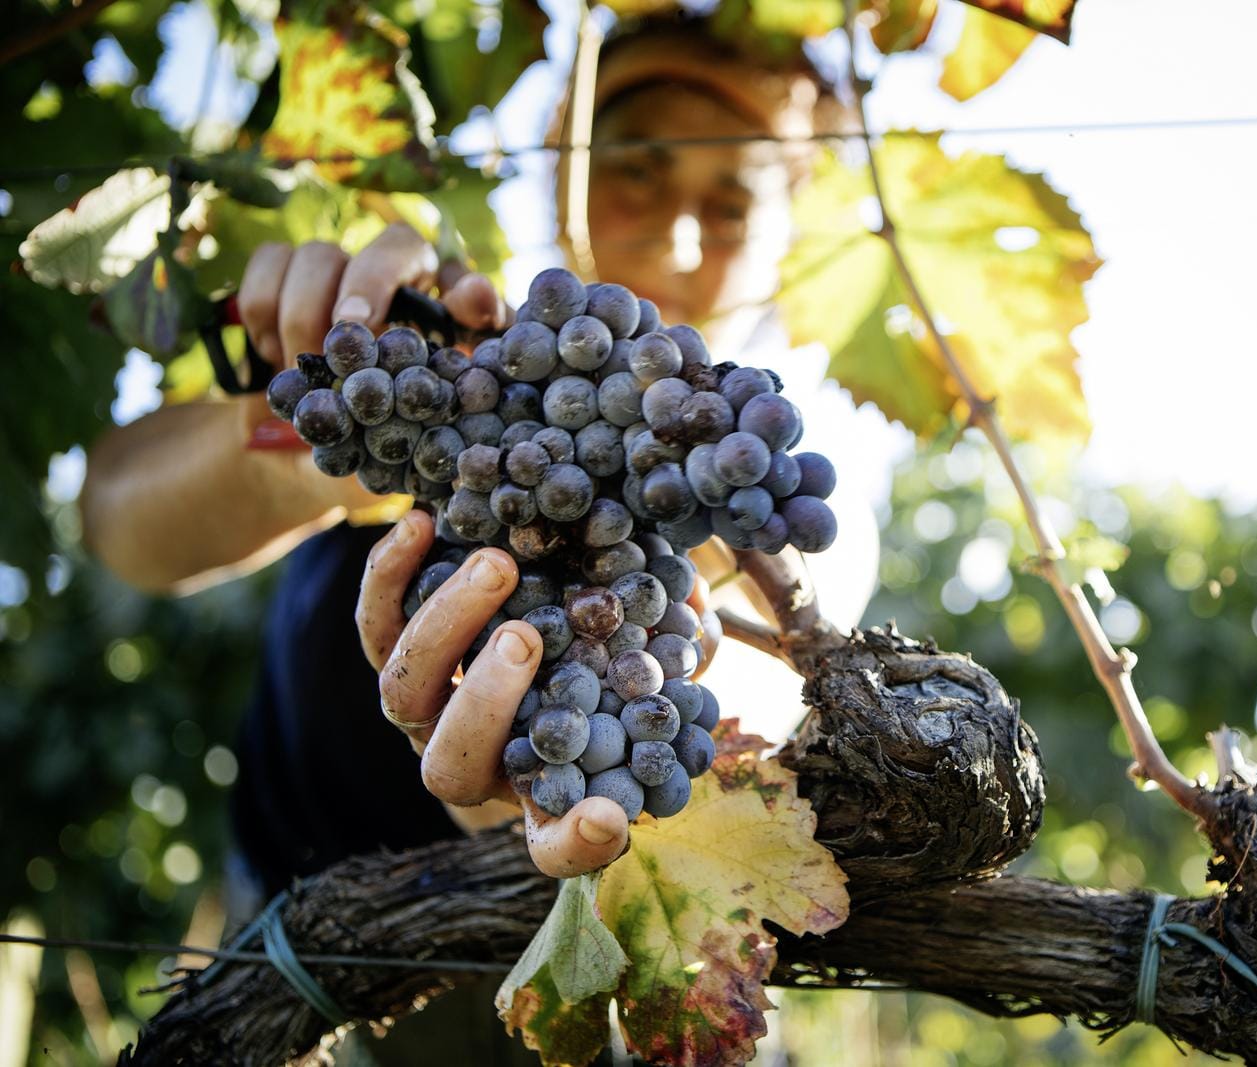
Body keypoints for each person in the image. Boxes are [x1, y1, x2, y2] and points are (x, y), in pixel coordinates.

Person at [80, 14, 863, 1058]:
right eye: (636, 167)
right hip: (291, 977)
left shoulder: (758, 501)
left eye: (729, 208)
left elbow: (763, 709)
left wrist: (574, 772)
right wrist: (324, 380)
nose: (677, 237)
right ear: (564, 174)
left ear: (783, 246)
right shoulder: (467, 393)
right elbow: (118, 521)